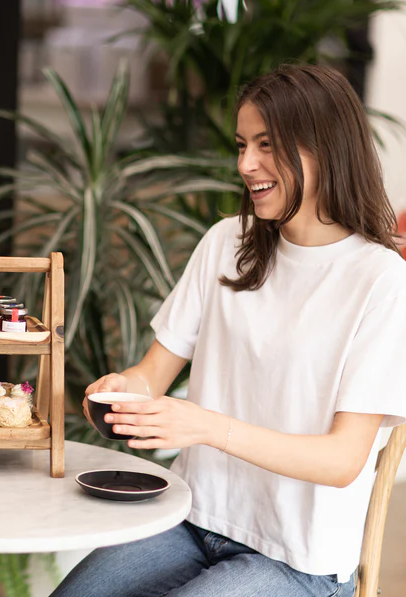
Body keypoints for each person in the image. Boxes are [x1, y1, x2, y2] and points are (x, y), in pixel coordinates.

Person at [52, 63, 406, 597]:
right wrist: (125, 390)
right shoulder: (226, 242)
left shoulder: (380, 280)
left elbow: (341, 460)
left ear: (325, 148)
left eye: (267, 145)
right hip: (193, 518)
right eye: (242, 145)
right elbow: (153, 373)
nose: (246, 164)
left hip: (297, 560)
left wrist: (207, 426)